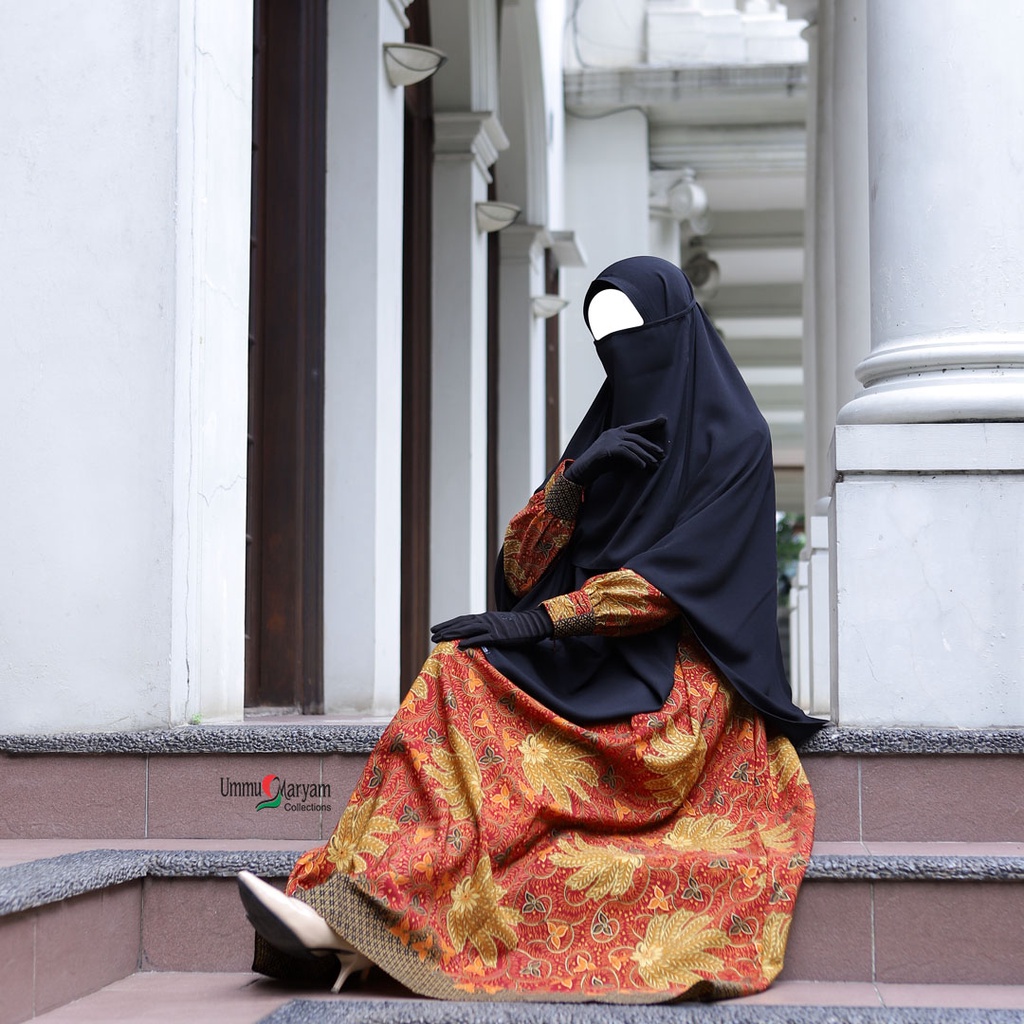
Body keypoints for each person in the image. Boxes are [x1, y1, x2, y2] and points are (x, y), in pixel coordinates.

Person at [238, 255, 825, 1002]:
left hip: (678, 675)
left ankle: (356, 921)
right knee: (454, 670)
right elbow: (522, 567)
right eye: (603, 340)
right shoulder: (609, 430)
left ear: (676, 330)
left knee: (501, 696)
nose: (621, 357)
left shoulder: (736, 442)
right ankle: (356, 904)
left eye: (634, 335)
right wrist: (574, 483)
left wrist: (536, 623)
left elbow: (670, 585)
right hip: (583, 653)